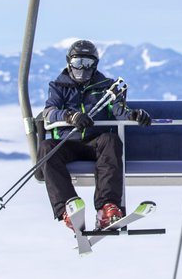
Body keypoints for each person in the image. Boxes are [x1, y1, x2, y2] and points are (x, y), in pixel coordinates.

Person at [39, 39, 152, 231]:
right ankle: (68, 208)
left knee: (111, 140)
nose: (82, 68)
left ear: (95, 64)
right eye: (77, 63)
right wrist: (70, 116)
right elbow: (49, 112)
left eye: (88, 63)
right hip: (69, 141)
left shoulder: (106, 87)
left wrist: (134, 115)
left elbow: (119, 110)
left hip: (95, 142)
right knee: (47, 148)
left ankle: (107, 207)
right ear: (69, 62)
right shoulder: (59, 86)